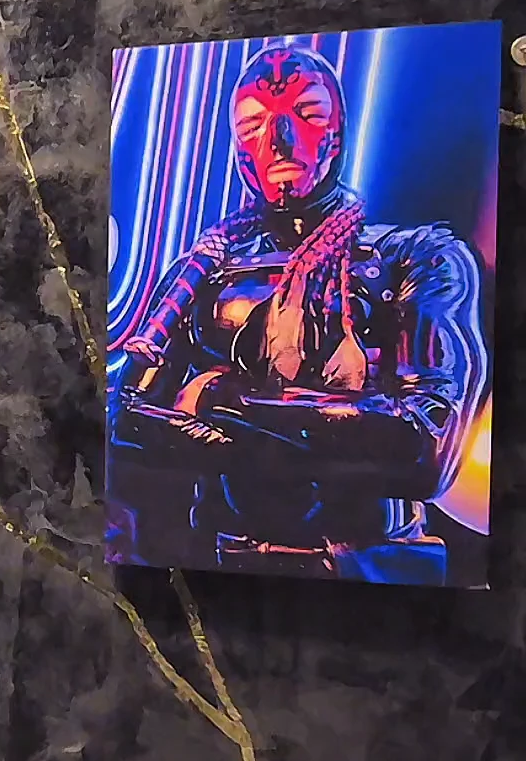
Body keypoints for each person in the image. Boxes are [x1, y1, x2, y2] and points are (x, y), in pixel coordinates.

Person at [107, 43, 486, 586]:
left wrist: (218, 398)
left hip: (374, 574)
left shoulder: (418, 257)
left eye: (306, 113)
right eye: (252, 124)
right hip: (223, 569)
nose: (278, 139)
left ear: (337, 130)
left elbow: (425, 447)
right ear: (237, 145)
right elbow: (126, 424)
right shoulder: (203, 271)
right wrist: (330, 428)